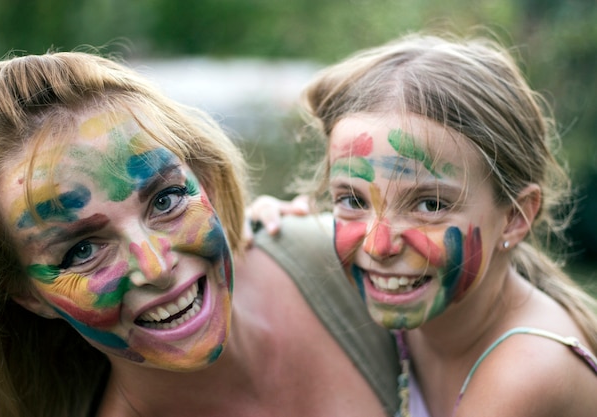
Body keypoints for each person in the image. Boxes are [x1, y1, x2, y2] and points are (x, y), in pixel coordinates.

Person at [0, 51, 401, 417]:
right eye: (82, 249)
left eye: (165, 200)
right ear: (27, 294)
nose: (156, 266)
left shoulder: (344, 261)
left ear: (207, 181)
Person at [249, 32, 597, 417]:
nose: (378, 246)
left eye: (430, 205)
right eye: (352, 200)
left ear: (515, 217)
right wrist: (273, 233)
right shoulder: (429, 308)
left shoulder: (527, 374)